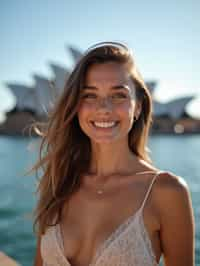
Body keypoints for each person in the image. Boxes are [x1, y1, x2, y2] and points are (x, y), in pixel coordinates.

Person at [32, 41, 195, 266]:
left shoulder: (166, 191)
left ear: (138, 107)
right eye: (89, 95)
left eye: (118, 95)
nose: (104, 108)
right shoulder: (59, 180)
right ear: (76, 106)